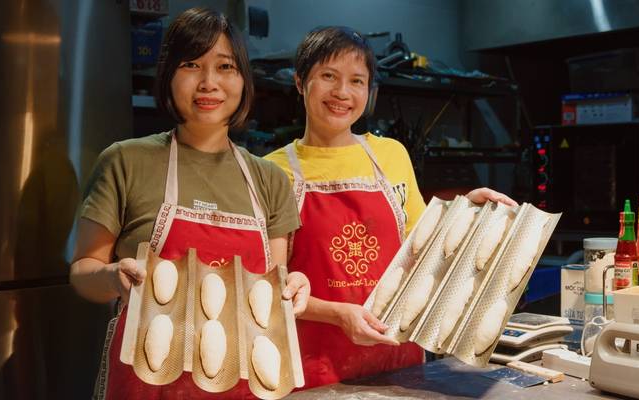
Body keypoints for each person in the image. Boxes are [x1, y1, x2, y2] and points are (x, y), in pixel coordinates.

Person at [69, 8, 309, 399]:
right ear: (169, 75)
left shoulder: (270, 180)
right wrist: (111, 277)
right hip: (145, 385)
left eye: (225, 66)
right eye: (192, 64)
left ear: (242, 79)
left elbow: (270, 291)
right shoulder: (126, 161)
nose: (209, 82)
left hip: (244, 388)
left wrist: (291, 287)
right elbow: (83, 270)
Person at [265, 26, 517, 389]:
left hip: (397, 356)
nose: (342, 92)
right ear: (301, 82)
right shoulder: (274, 171)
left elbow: (422, 248)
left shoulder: (391, 155)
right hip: (314, 365)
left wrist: (466, 213)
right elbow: (271, 285)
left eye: (357, 80)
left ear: (370, 92)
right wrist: (338, 315)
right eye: (328, 77)